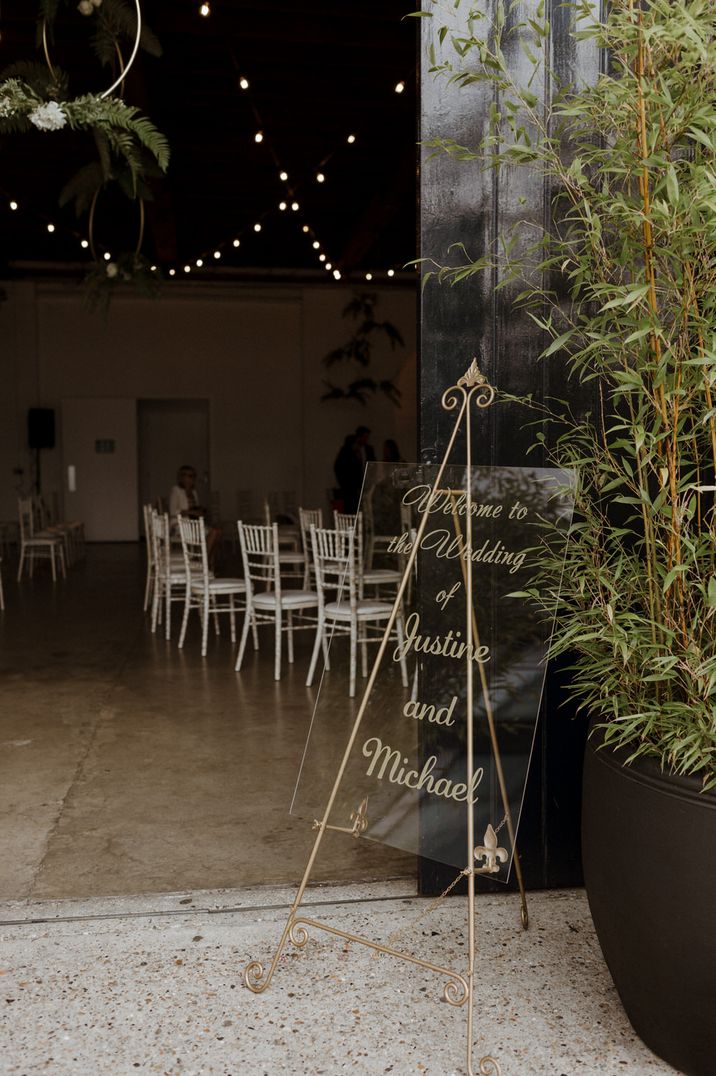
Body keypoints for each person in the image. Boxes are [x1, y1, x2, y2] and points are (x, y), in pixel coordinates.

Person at [169, 465, 221, 565]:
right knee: (213, 532)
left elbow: (194, 509)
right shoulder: (176, 491)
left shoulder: (193, 492)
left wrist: (200, 510)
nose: (191, 478)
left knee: (217, 532)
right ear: (182, 477)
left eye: (193, 476)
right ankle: (204, 561)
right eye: (188, 476)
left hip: (192, 523)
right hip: (179, 526)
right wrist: (191, 512)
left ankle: (206, 560)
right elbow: (173, 511)